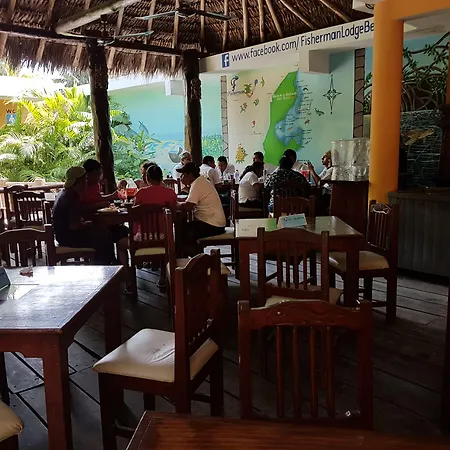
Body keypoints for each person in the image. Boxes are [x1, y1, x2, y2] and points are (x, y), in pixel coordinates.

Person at [118, 165, 177, 289]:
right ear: (161, 178)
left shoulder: (141, 193)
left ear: (147, 178)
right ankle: (163, 276)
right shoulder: (170, 193)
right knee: (167, 236)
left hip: (142, 239)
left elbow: (134, 216)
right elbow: (174, 214)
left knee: (120, 245)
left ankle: (128, 278)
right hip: (164, 237)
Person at [52, 166, 115, 265]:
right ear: (78, 181)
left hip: (62, 235)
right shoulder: (71, 197)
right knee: (103, 237)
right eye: (85, 179)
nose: (86, 181)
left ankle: (108, 264)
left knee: (103, 233)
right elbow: (74, 226)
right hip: (68, 238)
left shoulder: (65, 192)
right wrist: (88, 223)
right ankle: (105, 267)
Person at [177, 162, 226, 255]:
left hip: (213, 225)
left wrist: (176, 204)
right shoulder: (200, 181)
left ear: (190, 175)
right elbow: (190, 200)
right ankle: (196, 256)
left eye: (183, 175)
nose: (181, 177)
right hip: (213, 223)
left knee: (183, 232)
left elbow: (188, 206)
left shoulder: (198, 183)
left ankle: (196, 259)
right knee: (184, 230)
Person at [81, 158, 129, 244]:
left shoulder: (96, 185)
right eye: (96, 174)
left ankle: (121, 249)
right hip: (89, 224)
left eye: (100, 174)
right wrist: (99, 204)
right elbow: (80, 208)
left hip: (101, 220)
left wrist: (111, 196)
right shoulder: (81, 187)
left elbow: (98, 198)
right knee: (118, 233)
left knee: (124, 231)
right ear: (87, 174)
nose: (99, 177)